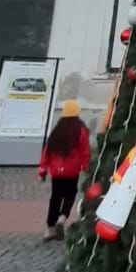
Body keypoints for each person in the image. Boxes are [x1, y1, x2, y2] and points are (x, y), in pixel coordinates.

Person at [38, 99, 92, 241]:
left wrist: (42, 171)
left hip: (56, 171)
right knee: (70, 195)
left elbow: (46, 152)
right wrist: (86, 167)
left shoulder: (56, 131)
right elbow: (85, 151)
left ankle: (49, 230)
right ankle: (62, 218)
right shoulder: (80, 130)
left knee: (55, 198)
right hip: (72, 170)